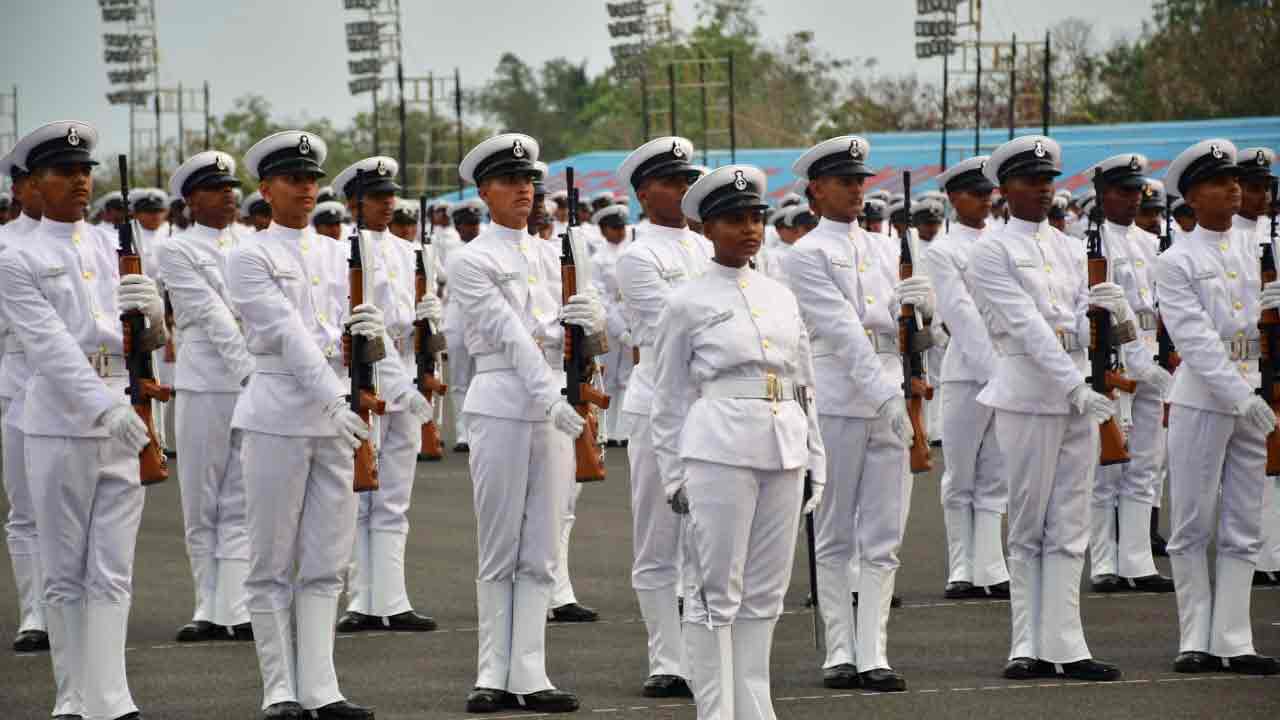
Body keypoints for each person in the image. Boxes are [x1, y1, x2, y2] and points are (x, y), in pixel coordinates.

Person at [229, 130, 415, 719]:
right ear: (267, 190)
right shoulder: (249, 256)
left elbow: (369, 329)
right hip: (280, 416)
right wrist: (336, 397)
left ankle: (321, 688)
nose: (306, 189)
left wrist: (390, 372)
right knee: (270, 562)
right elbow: (286, 337)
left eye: (312, 180)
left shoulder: (341, 253)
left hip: (340, 419)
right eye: (293, 180)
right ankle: (278, 689)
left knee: (325, 561)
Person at [0, 120, 169, 720]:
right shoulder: (15, 254)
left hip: (125, 410)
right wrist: (106, 408)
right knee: (65, 566)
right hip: (61, 418)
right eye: (63, 172)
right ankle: (71, 696)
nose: (79, 181)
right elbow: (47, 344)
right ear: (33, 186)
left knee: (113, 566)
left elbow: (154, 338)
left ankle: (111, 695)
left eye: (84, 171)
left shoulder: (113, 244)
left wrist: (149, 313)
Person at [650, 163, 826, 720]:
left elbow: (804, 381)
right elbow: (670, 397)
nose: (749, 229)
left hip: (784, 445)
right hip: (718, 448)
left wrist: (815, 456)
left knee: (766, 594)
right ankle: (716, 710)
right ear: (707, 229)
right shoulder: (687, 301)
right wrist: (674, 472)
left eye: (756, 218)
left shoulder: (779, 294)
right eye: (734, 220)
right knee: (714, 593)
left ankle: (755, 705)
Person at [449, 133, 606, 714]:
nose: (523, 190)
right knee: (500, 544)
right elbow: (511, 337)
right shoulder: (472, 258)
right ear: (484, 191)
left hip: (556, 406)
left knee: (541, 546)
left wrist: (594, 324)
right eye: (510, 181)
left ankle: (530, 671)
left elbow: (586, 337)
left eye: (529, 181)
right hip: (505, 402)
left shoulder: (553, 254)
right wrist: (551, 398)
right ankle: (492, 670)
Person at [969, 135, 1126, 682]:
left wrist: (1113, 317)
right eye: (1029, 181)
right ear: (1005, 189)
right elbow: (1027, 328)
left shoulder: (1066, 245)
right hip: (1030, 395)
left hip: (1078, 395)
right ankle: (1026, 644)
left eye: (1047, 180)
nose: (1041, 189)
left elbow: (1080, 319)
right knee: (1029, 521)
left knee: (1069, 522)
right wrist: (1073, 384)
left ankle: (1067, 643)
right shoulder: (991, 250)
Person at [785, 135, 934, 692]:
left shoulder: (887, 246)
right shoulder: (805, 255)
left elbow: (920, 335)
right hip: (843, 397)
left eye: (859, 181)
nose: (855, 190)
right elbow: (843, 333)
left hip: (892, 391)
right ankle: (839, 651)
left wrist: (928, 310)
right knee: (834, 531)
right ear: (815, 190)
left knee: (883, 534)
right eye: (843, 181)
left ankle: (874, 650)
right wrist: (886, 397)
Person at [1156, 139, 1280, 676]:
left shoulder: (1259, 250)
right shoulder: (1176, 260)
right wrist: (1240, 397)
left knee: (1245, 522)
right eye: (1218, 182)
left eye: (1235, 181)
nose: (1234, 189)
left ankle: (1234, 638)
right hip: (1205, 400)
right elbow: (1197, 340)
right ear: (1191, 198)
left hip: (1256, 392)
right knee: (1190, 521)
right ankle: (1194, 637)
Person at [322, 157, 440, 638]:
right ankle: (360, 598)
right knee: (360, 493)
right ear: (354, 202)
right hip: (365, 380)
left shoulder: (412, 252)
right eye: (377, 196)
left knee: (394, 497)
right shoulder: (338, 253)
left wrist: (434, 321)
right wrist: (400, 385)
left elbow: (417, 324)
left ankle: (392, 598)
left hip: (406, 375)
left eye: (391, 195)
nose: (388, 202)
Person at [614, 135, 708, 699]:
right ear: (646, 193)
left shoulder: (705, 247)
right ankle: (665, 659)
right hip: (659, 408)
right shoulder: (638, 255)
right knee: (658, 539)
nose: (686, 190)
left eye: (689, 180)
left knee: (703, 540)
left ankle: (698, 651)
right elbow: (661, 333)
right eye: (675, 182)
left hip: (710, 408)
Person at [160, 150, 257, 644]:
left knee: (241, 495)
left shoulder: (252, 242)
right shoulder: (177, 250)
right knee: (202, 496)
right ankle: (206, 604)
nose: (228, 195)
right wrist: (251, 371)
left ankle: (234, 606)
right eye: (216, 189)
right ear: (191, 199)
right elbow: (213, 314)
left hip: (251, 380)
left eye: (231, 187)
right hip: (206, 381)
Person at [1080, 154, 1176, 595]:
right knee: (1107, 469)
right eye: (1125, 190)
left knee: (1146, 464)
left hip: (1152, 360)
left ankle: (1137, 559)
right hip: (1112, 361)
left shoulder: (1151, 242)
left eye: (1138, 190)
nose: (1134, 198)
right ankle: (1103, 560)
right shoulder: (1086, 241)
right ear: (1103, 195)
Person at [924, 155, 1011, 600]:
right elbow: (959, 314)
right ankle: (961, 567)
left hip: (1009, 364)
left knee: (996, 472)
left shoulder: (1004, 241)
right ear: (954, 198)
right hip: (967, 371)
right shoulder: (942, 250)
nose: (984, 200)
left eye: (988, 193)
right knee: (961, 473)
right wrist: (994, 373)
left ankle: (991, 566)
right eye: (975, 193)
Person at [0, 147, 48, 654]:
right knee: (26, 509)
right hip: (17, 386)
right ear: (19, 187)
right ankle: (34, 611)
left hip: (76, 394)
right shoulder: (3, 245)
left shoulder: (88, 243)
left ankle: (70, 607)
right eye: (36, 181)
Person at [1232, 147, 1280, 586]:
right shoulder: (1227, 236)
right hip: (1247, 361)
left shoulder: (1276, 235)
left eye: (1266, 186)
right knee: (1259, 464)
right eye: (1252, 186)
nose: (1260, 194)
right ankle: (1263, 555)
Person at [442, 198, 486, 453]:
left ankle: (479, 430)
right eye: (465, 224)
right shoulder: (448, 249)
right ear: (457, 227)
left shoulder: (487, 247)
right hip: (458, 316)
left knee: (483, 376)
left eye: (474, 223)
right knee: (459, 380)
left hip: (481, 316)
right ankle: (462, 433)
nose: (471, 228)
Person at [591, 203, 635, 447]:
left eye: (621, 227)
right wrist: (619, 328)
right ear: (603, 230)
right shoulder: (597, 259)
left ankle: (624, 429)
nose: (619, 232)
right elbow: (600, 296)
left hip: (631, 317)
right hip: (609, 321)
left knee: (627, 377)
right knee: (606, 377)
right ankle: (604, 428)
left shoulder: (633, 253)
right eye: (614, 228)